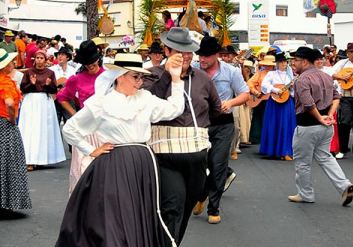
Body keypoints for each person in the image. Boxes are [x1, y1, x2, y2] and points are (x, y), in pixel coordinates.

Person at [55, 52, 185, 247]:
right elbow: (70, 129)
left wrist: (176, 78)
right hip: (113, 166)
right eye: (135, 76)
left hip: (142, 166)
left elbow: (175, 109)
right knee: (116, 217)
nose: (140, 82)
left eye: (142, 77)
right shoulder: (101, 103)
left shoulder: (146, 99)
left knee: (139, 215)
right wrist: (91, 150)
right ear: (119, 76)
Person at [143, 29, 221, 244]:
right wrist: (169, 75)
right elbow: (146, 103)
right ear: (166, 51)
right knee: (172, 206)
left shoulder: (203, 79)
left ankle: (172, 243)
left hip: (196, 155)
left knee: (185, 209)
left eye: (188, 52)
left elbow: (214, 110)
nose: (184, 56)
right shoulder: (151, 75)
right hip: (164, 156)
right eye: (178, 51)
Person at [191, 36, 249, 225]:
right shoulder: (192, 69)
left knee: (217, 164)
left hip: (223, 124)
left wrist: (231, 102)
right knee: (199, 163)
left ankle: (213, 208)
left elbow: (244, 93)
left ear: (217, 55)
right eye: (200, 55)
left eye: (206, 56)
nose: (202, 60)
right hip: (199, 124)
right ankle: (201, 193)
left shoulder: (231, 72)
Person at [289, 46, 353, 206]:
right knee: (325, 157)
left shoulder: (302, 79)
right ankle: (344, 184)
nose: (293, 63)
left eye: (296, 60)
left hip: (308, 125)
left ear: (304, 62)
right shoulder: (326, 76)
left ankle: (305, 194)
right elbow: (337, 96)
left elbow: (308, 103)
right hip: (326, 126)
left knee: (302, 161)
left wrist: (320, 118)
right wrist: (329, 115)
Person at [0, 49, 32, 212]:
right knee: (9, 162)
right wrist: (11, 118)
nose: (12, 63)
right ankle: (6, 202)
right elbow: (9, 102)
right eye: (10, 62)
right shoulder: (4, 81)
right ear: (4, 66)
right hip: (3, 124)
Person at [56, 40, 105, 194]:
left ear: (98, 58)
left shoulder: (108, 77)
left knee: (104, 172)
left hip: (105, 127)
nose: (90, 65)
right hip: (85, 129)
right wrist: (76, 115)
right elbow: (62, 97)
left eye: (92, 61)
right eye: (86, 62)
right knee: (83, 170)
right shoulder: (77, 79)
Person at [19, 50, 65, 171]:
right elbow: (23, 88)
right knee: (30, 129)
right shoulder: (29, 72)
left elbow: (54, 89)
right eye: (37, 58)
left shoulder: (50, 73)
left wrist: (49, 85)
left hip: (44, 102)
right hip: (31, 101)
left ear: (45, 60)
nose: (39, 60)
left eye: (41, 58)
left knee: (44, 129)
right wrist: (32, 84)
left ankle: (43, 158)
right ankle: (29, 159)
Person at [259, 52, 296, 160]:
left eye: (285, 61)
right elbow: (264, 85)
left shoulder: (290, 76)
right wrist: (275, 90)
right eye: (281, 62)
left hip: (287, 102)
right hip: (274, 102)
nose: (284, 64)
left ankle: (285, 151)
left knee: (286, 125)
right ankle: (273, 150)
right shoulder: (272, 74)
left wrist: (292, 87)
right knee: (273, 124)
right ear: (277, 63)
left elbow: (292, 92)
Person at [246, 55, 276, 144]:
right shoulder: (260, 73)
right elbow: (250, 82)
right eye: (266, 65)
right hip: (261, 100)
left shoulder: (277, 74)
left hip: (273, 99)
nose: (267, 67)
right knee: (259, 118)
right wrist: (255, 91)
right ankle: (257, 138)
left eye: (269, 65)